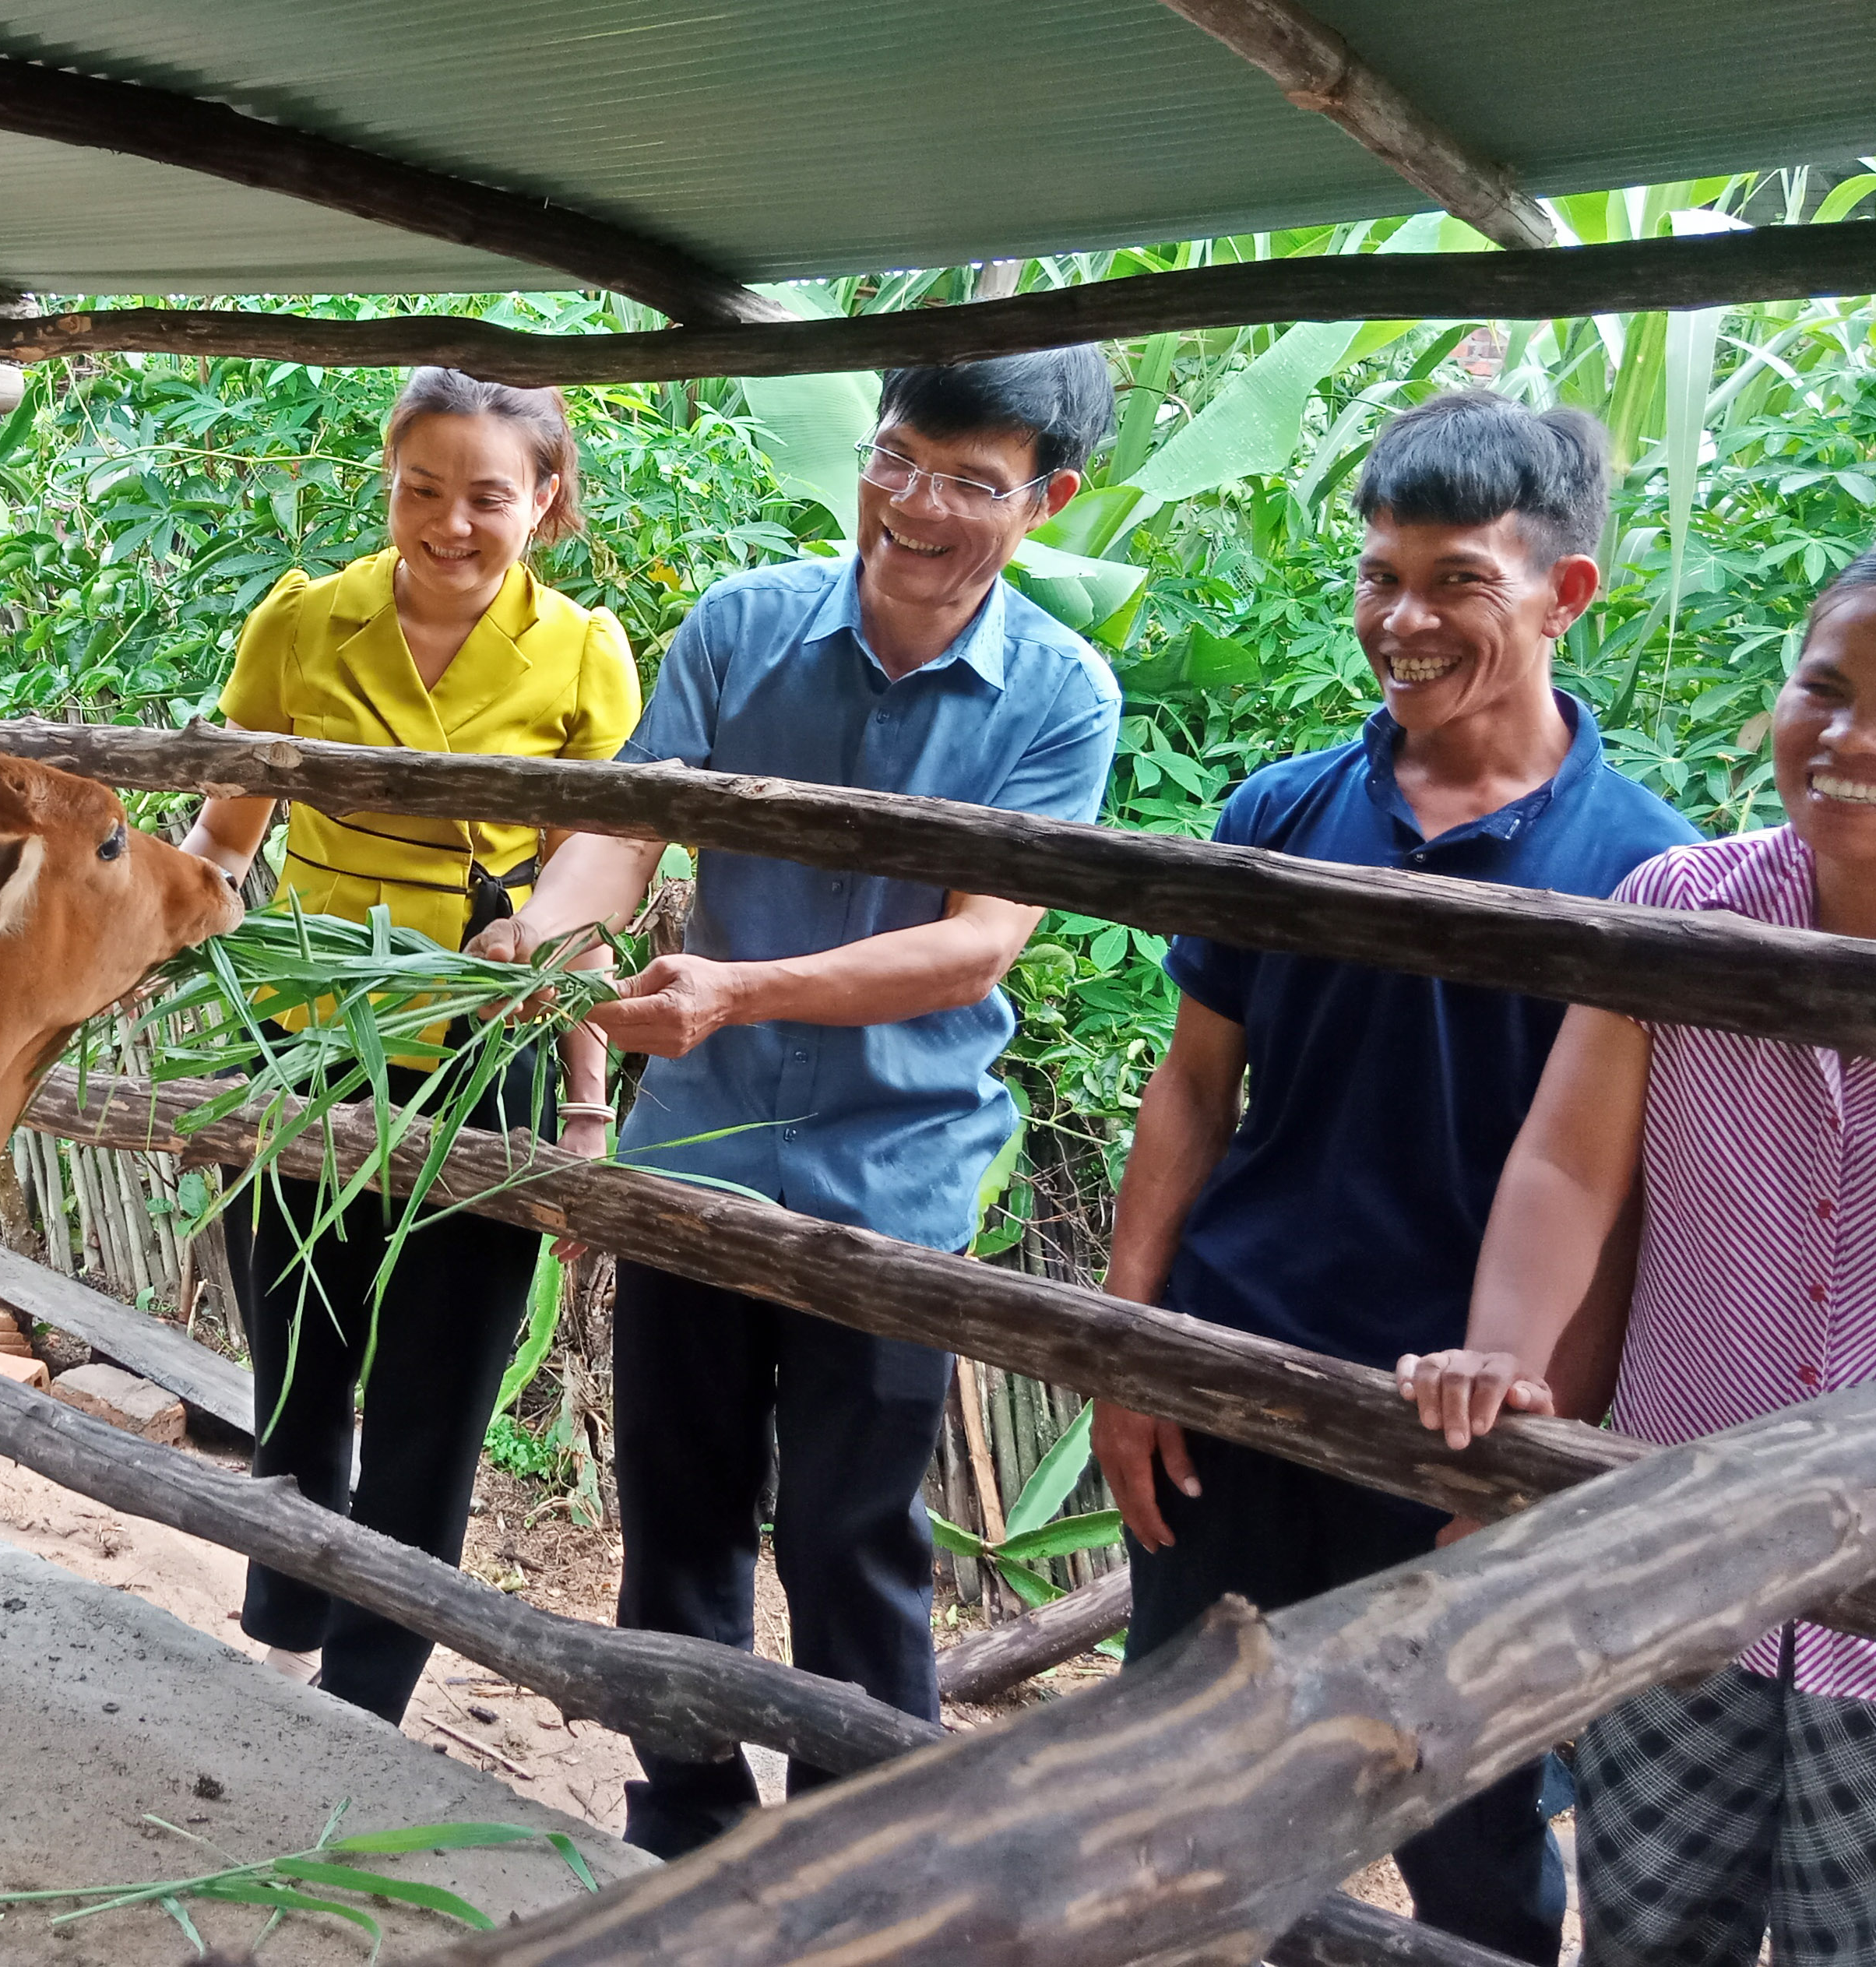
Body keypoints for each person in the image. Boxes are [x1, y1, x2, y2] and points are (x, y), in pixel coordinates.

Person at [471, 346, 1122, 1856]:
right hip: (695, 1154)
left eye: (971, 481)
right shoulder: (742, 628)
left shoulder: (1061, 698)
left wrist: (736, 991)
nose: (915, 502)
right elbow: (621, 839)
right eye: (898, 457)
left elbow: (976, 944)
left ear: (1047, 500)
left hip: (893, 1184)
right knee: (681, 1519)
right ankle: (681, 1835)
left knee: (850, 1540)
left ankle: (858, 1867)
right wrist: (553, 938)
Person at [1398, 529, 1876, 1967]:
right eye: (1821, 687)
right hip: (1671, 1566)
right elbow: (1567, 1162)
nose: (1850, 735)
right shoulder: (1679, 912)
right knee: (1647, 1939)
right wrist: (1503, 1364)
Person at [1089, 389, 1700, 1962]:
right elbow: (1192, 1088)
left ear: (1567, 595)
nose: (1403, 618)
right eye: (1381, 576)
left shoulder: (1652, 872)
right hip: (1235, 1379)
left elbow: (1626, 1193)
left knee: (1470, 1832)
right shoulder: (1281, 816)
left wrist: (1536, 1451)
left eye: (1454, 582)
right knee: (1184, 1795)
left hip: (1460, 1432)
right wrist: (1130, 1354)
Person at [179, 368, 637, 1724]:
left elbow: (591, 902)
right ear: (388, 483)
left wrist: (584, 1112)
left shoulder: (579, 653)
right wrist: (153, 947)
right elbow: (224, 837)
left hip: (481, 1062)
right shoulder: (305, 624)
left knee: (439, 1394)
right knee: (296, 1358)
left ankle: (370, 1688)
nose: (449, 523)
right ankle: (283, 1631)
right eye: (419, 489)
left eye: (486, 496)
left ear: (541, 501)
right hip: (309, 1037)